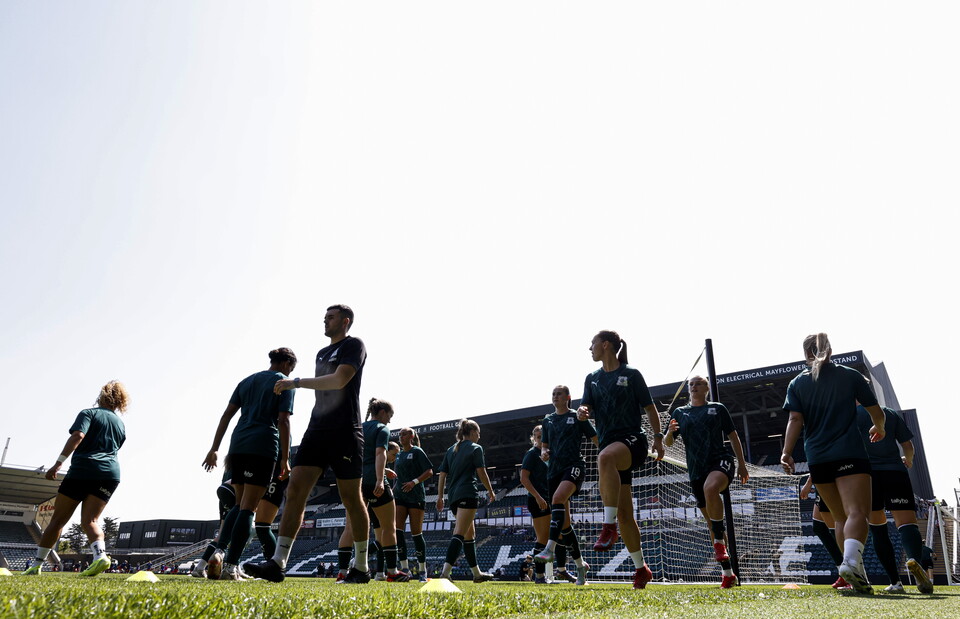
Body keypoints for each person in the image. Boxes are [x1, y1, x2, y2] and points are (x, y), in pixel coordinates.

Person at [246, 305, 371, 584]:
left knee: (351, 498)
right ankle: (278, 562)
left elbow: (339, 380)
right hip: (316, 430)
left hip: (345, 431)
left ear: (345, 321)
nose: (325, 320)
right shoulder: (321, 352)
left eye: (331, 317)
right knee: (295, 489)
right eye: (325, 317)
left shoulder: (354, 345)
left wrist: (297, 382)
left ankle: (361, 567)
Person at [780, 333, 886, 594]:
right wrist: (879, 427)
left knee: (839, 518)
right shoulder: (850, 376)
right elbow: (875, 410)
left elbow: (795, 420)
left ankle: (855, 574)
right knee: (857, 513)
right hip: (849, 453)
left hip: (817, 457)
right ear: (830, 349)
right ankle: (849, 563)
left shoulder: (797, 383)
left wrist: (786, 452)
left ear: (805, 353)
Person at [576, 330, 664, 590]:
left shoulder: (632, 374)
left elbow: (650, 408)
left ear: (605, 345)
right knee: (626, 514)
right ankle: (641, 569)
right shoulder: (591, 378)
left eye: (592, 344)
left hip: (633, 441)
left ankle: (607, 526)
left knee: (604, 457)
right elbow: (586, 408)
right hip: (611, 449)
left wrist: (658, 437)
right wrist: (582, 412)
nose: (589, 348)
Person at [23, 381, 129, 577]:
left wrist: (58, 463)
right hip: (110, 474)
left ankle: (36, 566)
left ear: (102, 396)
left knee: (58, 520)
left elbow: (78, 436)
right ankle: (100, 556)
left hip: (83, 470)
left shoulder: (88, 413)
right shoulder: (120, 424)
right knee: (90, 520)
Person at [664, 376, 749, 589]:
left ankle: (719, 543)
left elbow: (733, 436)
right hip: (696, 470)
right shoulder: (679, 413)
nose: (694, 386)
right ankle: (728, 574)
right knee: (712, 524)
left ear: (707, 388)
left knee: (711, 488)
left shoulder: (717, 408)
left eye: (699, 383)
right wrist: (669, 433)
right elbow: (668, 443)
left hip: (720, 461)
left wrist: (742, 464)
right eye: (691, 384)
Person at [856, 404, 932, 594]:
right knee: (907, 524)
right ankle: (914, 561)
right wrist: (909, 459)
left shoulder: (849, 415)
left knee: (878, 529)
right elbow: (908, 446)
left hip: (867, 474)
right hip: (895, 471)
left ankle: (895, 582)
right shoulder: (889, 413)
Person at [338, 399, 409, 583]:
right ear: (383, 412)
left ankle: (342, 573)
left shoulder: (357, 428)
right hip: (373, 481)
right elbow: (379, 453)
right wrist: (379, 479)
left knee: (349, 528)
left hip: (355, 481)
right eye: (390, 416)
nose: (390, 420)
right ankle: (392, 572)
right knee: (388, 527)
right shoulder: (382, 429)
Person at [535, 385, 598, 586]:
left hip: (574, 466)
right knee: (565, 525)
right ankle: (580, 567)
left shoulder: (577, 416)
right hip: (553, 470)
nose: (555, 397)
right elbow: (544, 446)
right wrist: (544, 453)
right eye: (553, 394)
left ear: (568, 397)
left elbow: (596, 438)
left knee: (557, 498)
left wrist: (606, 456)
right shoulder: (548, 420)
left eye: (559, 394)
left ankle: (549, 549)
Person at [436, 419, 497, 582]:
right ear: (472, 432)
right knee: (459, 533)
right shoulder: (476, 448)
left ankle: (477, 574)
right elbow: (481, 472)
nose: (479, 436)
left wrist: (440, 496)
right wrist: (491, 491)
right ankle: (445, 574)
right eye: (478, 433)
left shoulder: (451, 449)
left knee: (470, 534)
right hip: (468, 494)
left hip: (453, 497)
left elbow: (442, 475)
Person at [394, 426, 434, 581]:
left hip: (416, 496)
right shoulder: (398, 455)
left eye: (404, 434)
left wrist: (414, 482)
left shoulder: (417, 451)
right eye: (400, 435)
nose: (401, 437)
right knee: (398, 531)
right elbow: (398, 477)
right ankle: (405, 569)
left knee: (416, 533)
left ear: (411, 436)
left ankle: (422, 570)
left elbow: (429, 471)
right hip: (399, 496)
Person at [799, 475, 851, 590]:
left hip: (828, 481)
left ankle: (850, 574)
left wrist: (808, 483)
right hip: (822, 483)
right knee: (819, 527)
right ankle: (844, 573)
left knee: (836, 530)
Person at [520, 425, 552, 584]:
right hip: (537, 500)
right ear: (534, 438)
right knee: (543, 538)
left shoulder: (550, 453)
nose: (541, 439)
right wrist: (538, 497)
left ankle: (559, 571)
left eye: (543, 436)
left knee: (556, 536)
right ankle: (539, 575)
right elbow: (523, 479)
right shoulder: (532, 454)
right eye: (538, 437)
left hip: (550, 498)